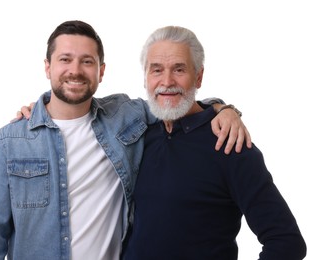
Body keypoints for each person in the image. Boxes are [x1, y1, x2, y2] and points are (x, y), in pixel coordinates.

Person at [0, 20, 251, 260]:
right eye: (65, 59)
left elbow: (173, 100)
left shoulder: (126, 116)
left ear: (101, 71)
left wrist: (222, 109)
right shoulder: (8, 142)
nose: (75, 70)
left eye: (87, 61)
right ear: (47, 67)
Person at [122, 25, 307, 260]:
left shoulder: (230, 144)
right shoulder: (138, 137)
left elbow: (286, 243)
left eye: (179, 69)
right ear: (146, 78)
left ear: (198, 76)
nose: (166, 81)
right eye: (156, 70)